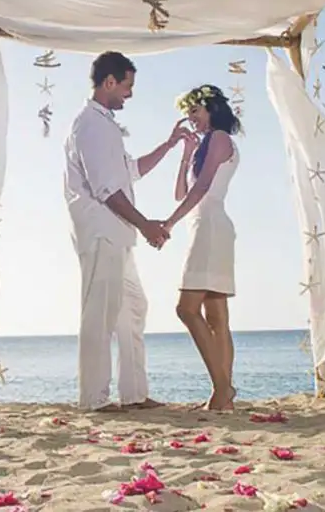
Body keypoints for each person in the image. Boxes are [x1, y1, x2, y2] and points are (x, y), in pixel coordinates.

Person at [64, 51, 191, 412]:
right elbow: (106, 189)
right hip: (101, 231)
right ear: (109, 82)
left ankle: (134, 394)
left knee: (133, 307)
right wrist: (147, 225)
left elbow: (129, 171)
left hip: (118, 236)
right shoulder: (89, 124)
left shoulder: (104, 125)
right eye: (127, 86)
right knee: (100, 313)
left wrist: (169, 146)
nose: (130, 94)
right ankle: (94, 399)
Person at [161, 84, 242, 412]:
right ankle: (221, 396)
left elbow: (205, 187)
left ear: (211, 109)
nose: (190, 118)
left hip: (210, 227)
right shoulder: (204, 146)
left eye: (195, 111)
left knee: (186, 309)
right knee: (216, 316)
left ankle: (223, 389)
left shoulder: (221, 138)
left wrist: (168, 224)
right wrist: (184, 155)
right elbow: (182, 192)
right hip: (205, 225)